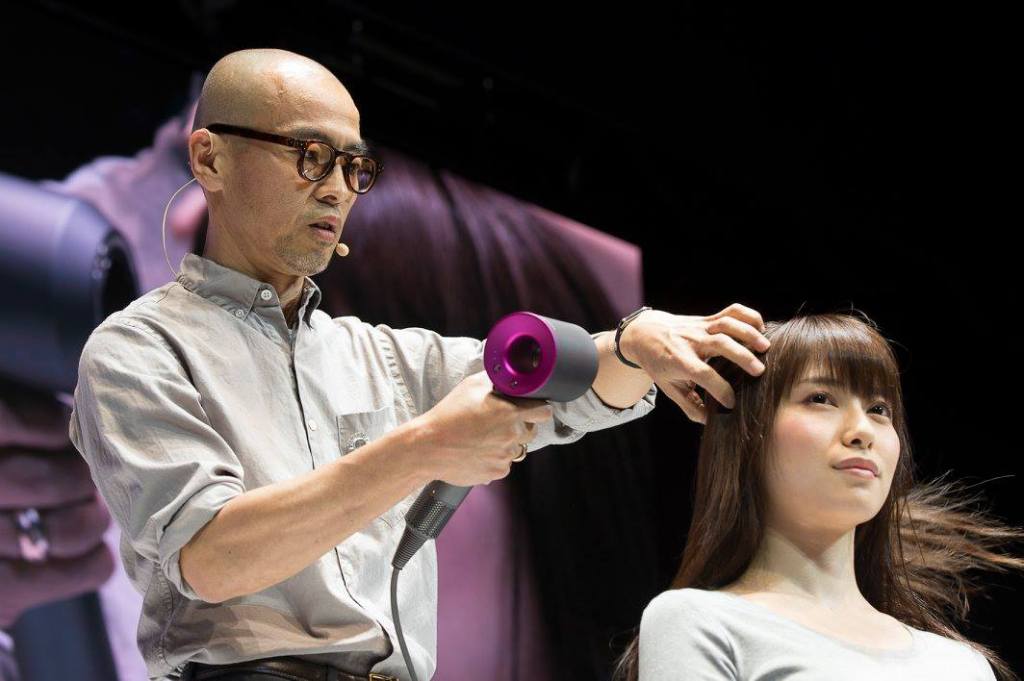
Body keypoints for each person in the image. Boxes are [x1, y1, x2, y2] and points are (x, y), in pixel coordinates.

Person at [68, 47, 771, 681]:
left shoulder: (381, 354)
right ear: (209, 157)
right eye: (310, 155)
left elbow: (555, 391)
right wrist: (424, 445)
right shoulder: (140, 348)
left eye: (354, 166)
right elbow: (213, 558)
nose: (338, 188)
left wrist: (633, 343)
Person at [616, 312, 1024, 680]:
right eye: (820, 399)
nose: (861, 430)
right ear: (747, 437)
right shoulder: (701, 623)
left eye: (879, 409)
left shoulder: (960, 664)